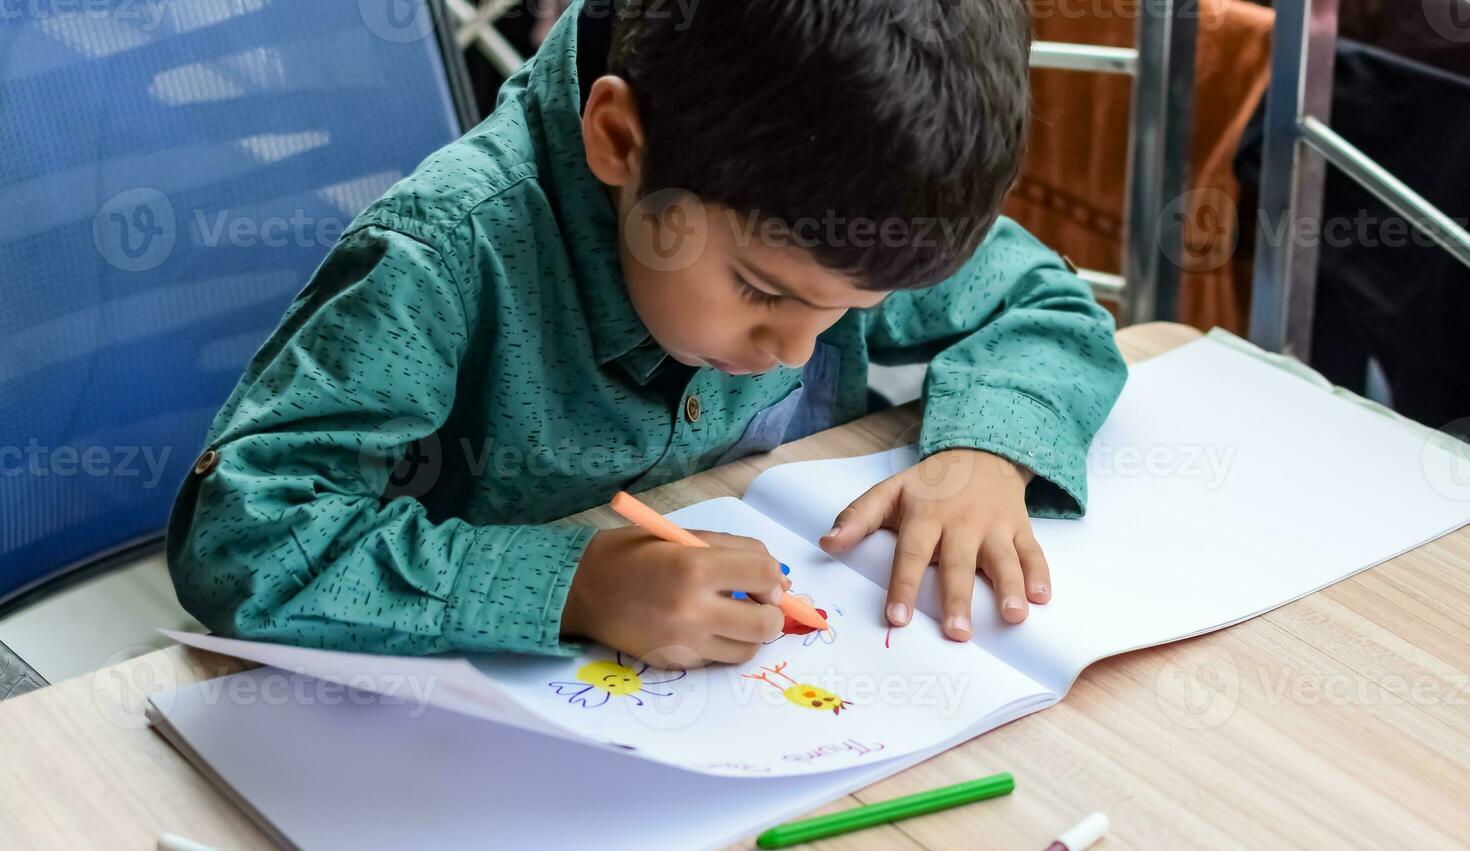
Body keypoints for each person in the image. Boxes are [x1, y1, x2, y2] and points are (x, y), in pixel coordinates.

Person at [167, 0, 1127, 668]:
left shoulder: (841, 213)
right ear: (620, 143)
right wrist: (572, 588)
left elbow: (1044, 301)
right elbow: (245, 540)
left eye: (847, 314)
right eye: (758, 291)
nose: (798, 350)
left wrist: (985, 450)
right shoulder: (444, 259)